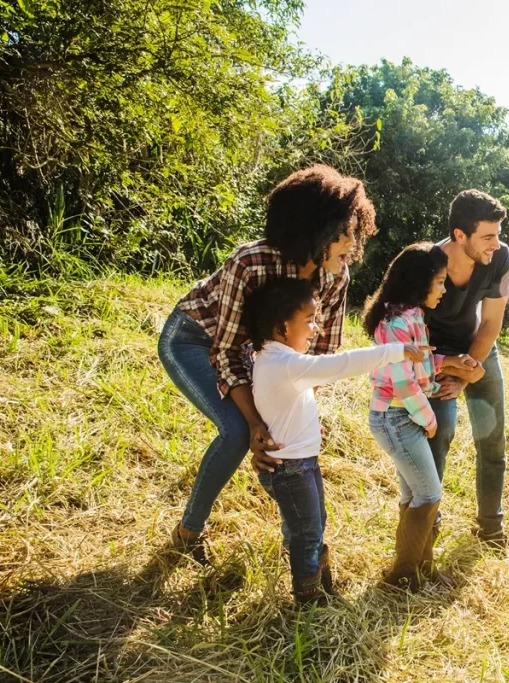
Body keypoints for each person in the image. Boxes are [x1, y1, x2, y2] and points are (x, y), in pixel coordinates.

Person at [156, 165, 375, 565]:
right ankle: (188, 533)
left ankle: (302, 548)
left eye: (353, 229)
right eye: (341, 232)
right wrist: (260, 422)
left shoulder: (335, 275)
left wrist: (293, 417)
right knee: (239, 431)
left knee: (286, 441)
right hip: (197, 340)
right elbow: (227, 352)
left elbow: (316, 358)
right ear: (313, 229)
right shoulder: (251, 261)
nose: (352, 242)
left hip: (258, 356)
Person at [246, 277, 426, 605]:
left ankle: (321, 586)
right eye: (309, 321)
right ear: (282, 327)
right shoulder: (285, 363)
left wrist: (311, 429)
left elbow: (285, 408)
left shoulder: (273, 360)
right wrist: (395, 350)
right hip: (290, 468)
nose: (315, 329)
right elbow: (340, 365)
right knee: (307, 531)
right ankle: (309, 598)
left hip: (300, 463)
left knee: (312, 523)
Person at [363, 243, 483, 591]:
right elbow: (402, 381)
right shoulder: (395, 323)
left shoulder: (413, 316)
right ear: (420, 283)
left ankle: (421, 569)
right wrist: (429, 419)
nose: (445, 290)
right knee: (429, 494)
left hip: (406, 418)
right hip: (396, 419)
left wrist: (455, 362)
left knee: (414, 494)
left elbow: (422, 366)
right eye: (440, 282)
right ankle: (402, 578)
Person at [424, 190, 509, 548]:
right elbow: (405, 326)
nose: (496, 243)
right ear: (460, 235)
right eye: (487, 236)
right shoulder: (427, 263)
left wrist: (470, 369)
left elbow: (491, 322)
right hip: (435, 354)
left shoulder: (500, 256)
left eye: (498, 234)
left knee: (492, 440)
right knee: (439, 433)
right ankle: (428, 524)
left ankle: (491, 527)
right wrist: (448, 368)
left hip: (478, 347)